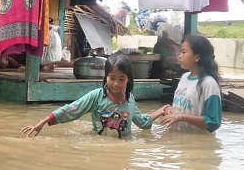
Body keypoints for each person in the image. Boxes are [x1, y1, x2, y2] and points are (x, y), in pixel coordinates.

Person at [21, 53, 167, 138]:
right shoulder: (96, 96)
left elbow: (142, 122)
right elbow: (72, 109)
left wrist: (160, 111)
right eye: (112, 78)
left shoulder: (130, 99)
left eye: (121, 79)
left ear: (129, 79)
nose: (116, 83)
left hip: (122, 156)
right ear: (105, 77)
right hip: (100, 150)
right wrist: (44, 121)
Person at [157, 34, 222, 133]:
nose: (179, 56)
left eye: (183, 52)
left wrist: (182, 117)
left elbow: (214, 121)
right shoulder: (184, 77)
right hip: (178, 140)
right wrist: (169, 109)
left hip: (198, 144)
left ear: (197, 57)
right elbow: (183, 107)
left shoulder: (209, 84)